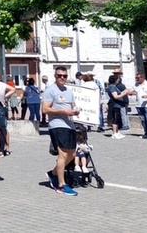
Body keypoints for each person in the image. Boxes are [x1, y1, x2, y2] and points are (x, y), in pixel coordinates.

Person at [43, 66, 81, 196]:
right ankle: (61, 185)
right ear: (55, 76)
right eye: (59, 76)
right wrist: (62, 111)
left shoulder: (69, 91)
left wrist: (76, 110)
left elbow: (72, 106)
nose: (62, 78)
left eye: (64, 76)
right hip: (57, 125)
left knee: (72, 154)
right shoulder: (50, 90)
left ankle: (53, 173)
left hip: (69, 125)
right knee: (63, 154)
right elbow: (45, 109)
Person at [106, 74, 133, 139]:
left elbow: (119, 93)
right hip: (114, 104)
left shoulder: (114, 86)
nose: (118, 80)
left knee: (117, 118)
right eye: (117, 79)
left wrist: (124, 92)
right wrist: (124, 94)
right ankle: (114, 133)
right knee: (115, 119)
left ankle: (117, 132)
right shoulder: (112, 87)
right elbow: (116, 96)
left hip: (118, 104)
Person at [134, 73, 147, 139]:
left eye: (138, 78)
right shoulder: (136, 84)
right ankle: (146, 133)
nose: (137, 79)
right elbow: (134, 91)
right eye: (136, 78)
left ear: (142, 78)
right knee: (142, 119)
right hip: (139, 104)